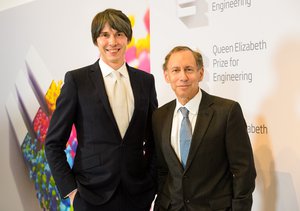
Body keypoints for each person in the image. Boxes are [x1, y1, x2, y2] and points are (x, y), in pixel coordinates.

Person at [45, 8, 158, 211]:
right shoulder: (76, 81)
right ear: (96, 40)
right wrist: (71, 191)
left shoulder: (145, 81)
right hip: (90, 195)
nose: (112, 42)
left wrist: (151, 183)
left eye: (119, 34)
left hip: (137, 195)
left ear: (128, 39)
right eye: (105, 35)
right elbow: (53, 143)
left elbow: (154, 139)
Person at [152, 46, 256, 211]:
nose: (183, 77)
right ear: (167, 76)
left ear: (200, 73)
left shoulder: (227, 111)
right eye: (176, 70)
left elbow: (244, 171)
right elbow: (162, 170)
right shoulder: (159, 116)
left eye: (189, 69)